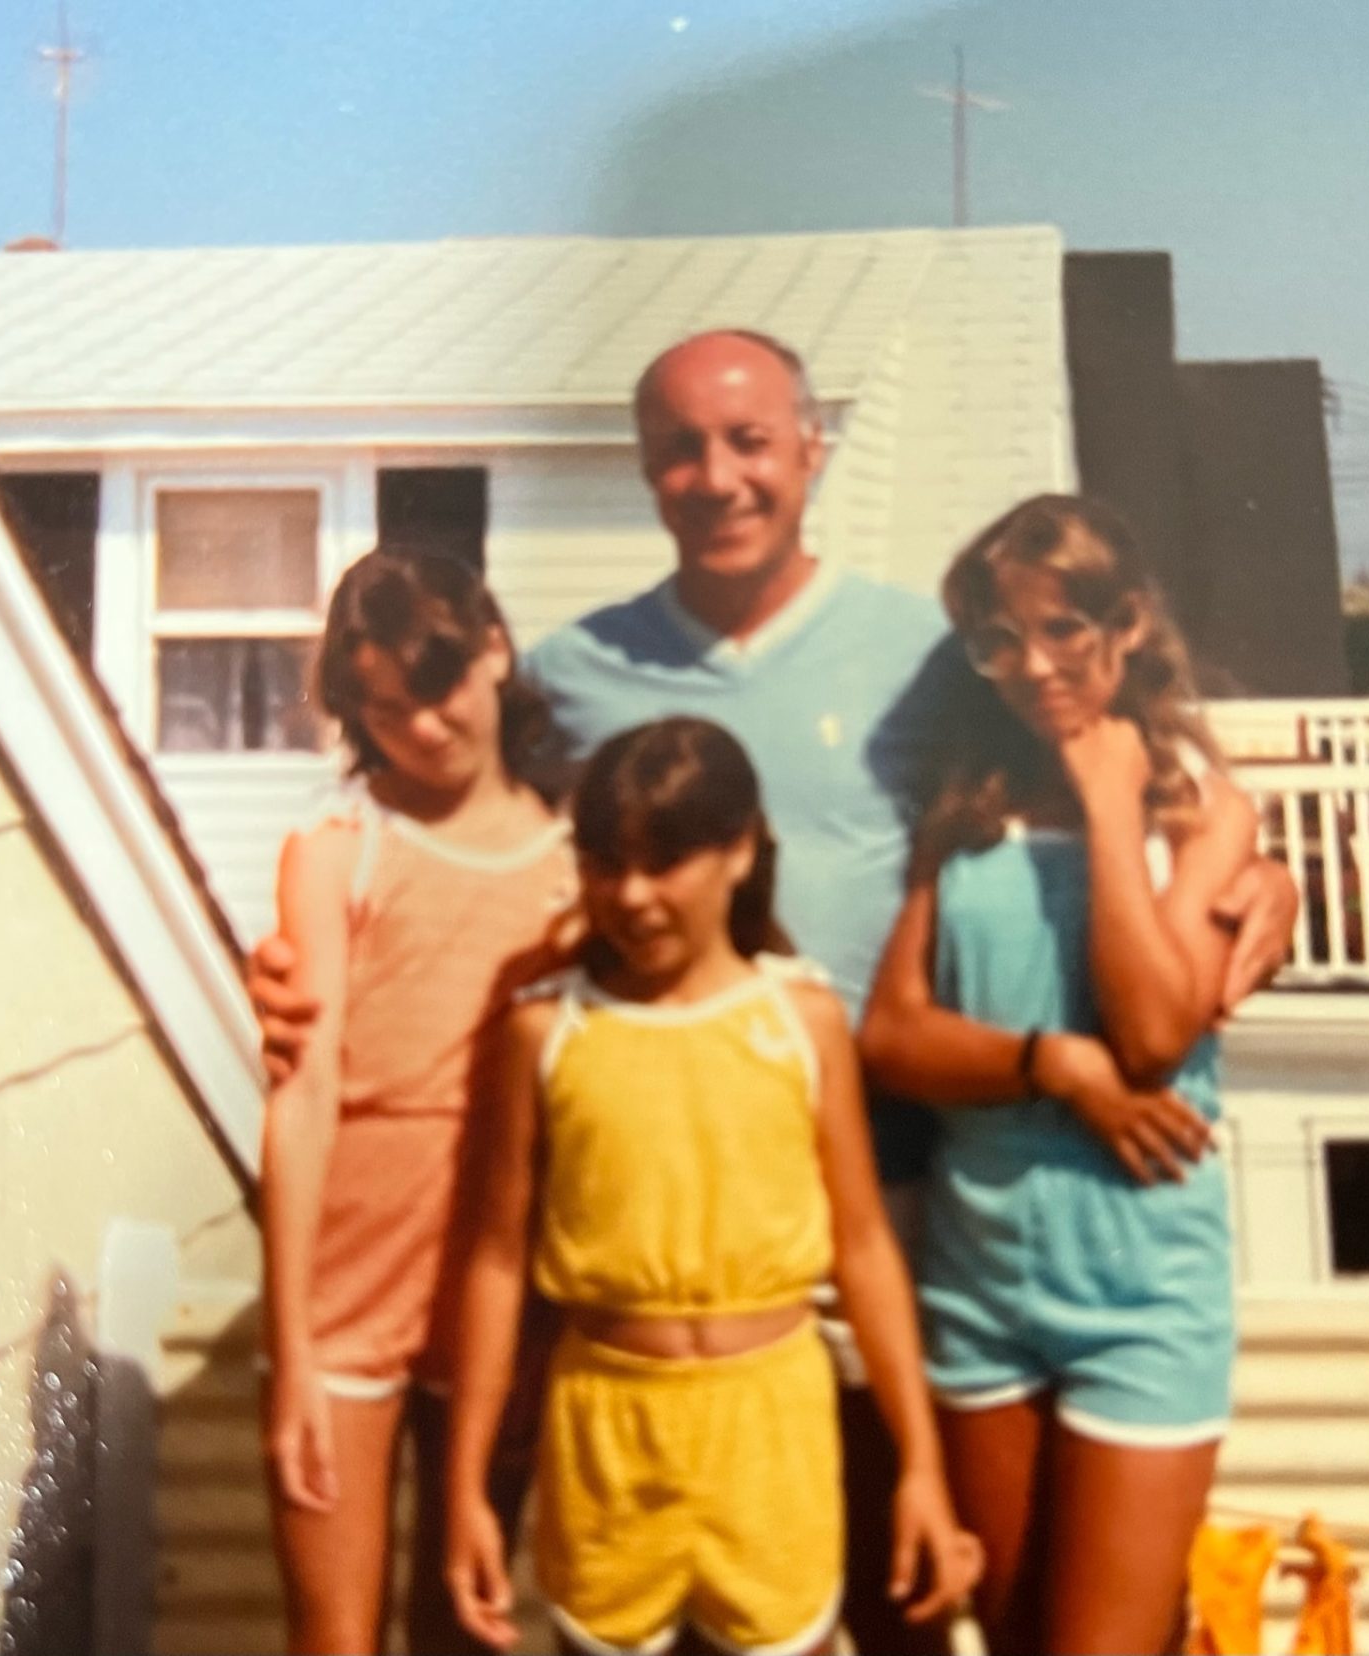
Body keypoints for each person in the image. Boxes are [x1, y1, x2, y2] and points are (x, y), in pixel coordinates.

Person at [249, 328, 1299, 1653]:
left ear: (812, 448)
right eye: (681, 449)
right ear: (647, 471)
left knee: (898, 1605)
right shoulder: (570, 677)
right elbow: (463, 834)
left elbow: (1101, 769)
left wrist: (1262, 875)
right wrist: (292, 959)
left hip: (901, 1199)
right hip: (663, 1224)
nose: (719, 476)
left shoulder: (935, 658)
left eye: (750, 440)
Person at [443, 717, 981, 1656]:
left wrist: (922, 1469)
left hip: (771, 1439)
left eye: (665, 864)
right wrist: (466, 1491)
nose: (633, 896)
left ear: (740, 852)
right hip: (607, 1445)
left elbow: (864, 1250)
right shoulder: (545, 1033)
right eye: (606, 864)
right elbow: (496, 1265)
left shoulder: (802, 1021)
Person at [858, 495, 1257, 1656]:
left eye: (1063, 630)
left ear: (1125, 626)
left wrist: (1110, 806)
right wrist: (1056, 1065)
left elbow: (1154, 1036)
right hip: (977, 1290)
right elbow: (894, 1036)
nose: (1033, 666)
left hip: (1142, 1296)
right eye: (1000, 641)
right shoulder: (965, 814)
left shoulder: (1204, 814)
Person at [259, 550, 575, 1656]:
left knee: (464, 1626)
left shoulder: (581, 857)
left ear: (495, 651)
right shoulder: (341, 852)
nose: (422, 731)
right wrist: (293, 1349)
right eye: (384, 712)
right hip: (349, 1276)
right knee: (332, 1635)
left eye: (438, 691)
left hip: (499, 1280)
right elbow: (302, 1097)